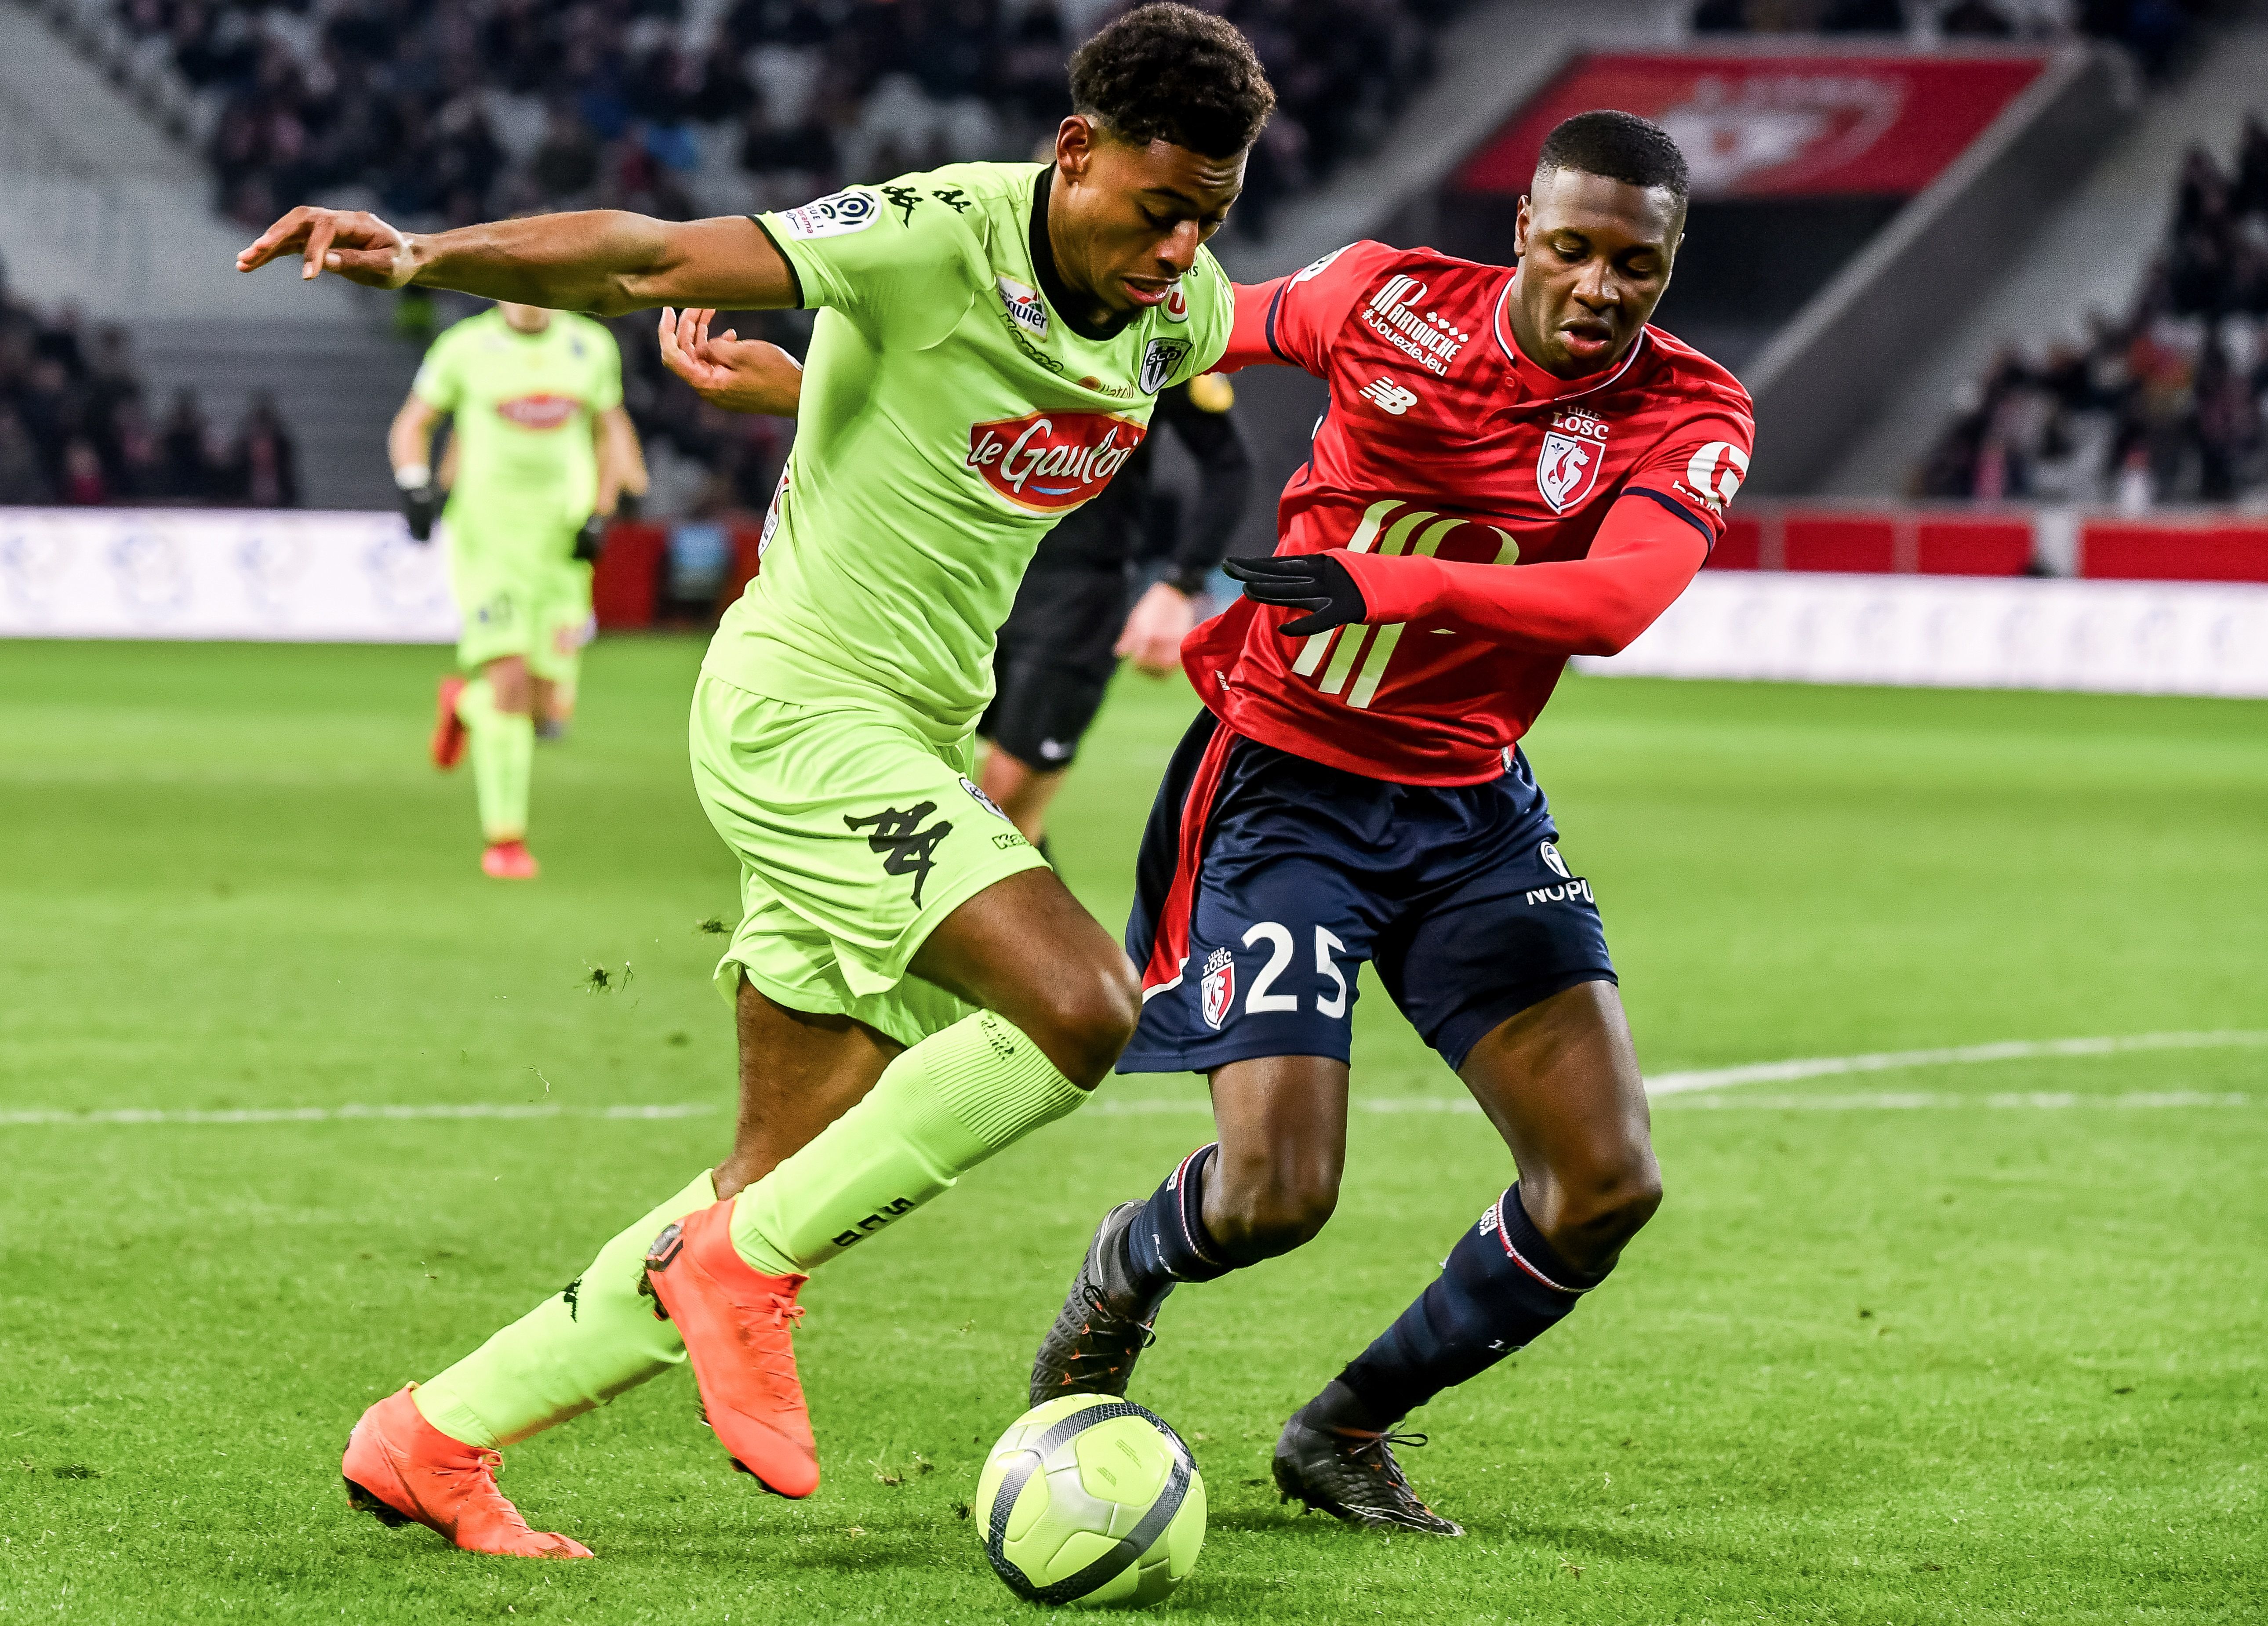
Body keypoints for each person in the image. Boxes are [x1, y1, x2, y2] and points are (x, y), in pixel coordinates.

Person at [236, 1, 1270, 1560]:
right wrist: (427, 255)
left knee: (772, 1174)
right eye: (1157, 206)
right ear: (1074, 153)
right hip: (800, 713)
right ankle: (740, 1270)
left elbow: (990, 417)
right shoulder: (930, 232)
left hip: (908, 736)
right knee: (1082, 1008)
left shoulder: (1170, 313)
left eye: (1212, 216)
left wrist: (808, 394)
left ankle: (432, 1438)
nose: (1180, 249)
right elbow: (644, 258)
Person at [1026, 110, 1756, 1535]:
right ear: (1523, 234)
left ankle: (1343, 1429)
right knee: (1278, 1195)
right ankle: (1127, 1263)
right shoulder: (1387, 299)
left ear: (1667, 267)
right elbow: (1183, 330)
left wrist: (1387, 582)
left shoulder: (1690, 408)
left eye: (1639, 264)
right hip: (1289, 784)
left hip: (1471, 806)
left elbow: (1613, 602)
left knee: (1605, 1183)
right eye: (1576, 248)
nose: (1603, 286)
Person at [711, 341, 1253, 848]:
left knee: (999, 808)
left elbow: (1229, 464)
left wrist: (1180, 584)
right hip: (960, 581)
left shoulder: (1151, 329)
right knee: (953, 804)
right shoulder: (972, 291)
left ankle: (1056, 953)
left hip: (1076, 596)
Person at [387, 300, 645, 878]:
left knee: (546, 712)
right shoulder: (464, 348)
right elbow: (413, 423)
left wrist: (603, 512)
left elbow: (610, 432)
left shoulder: (591, 347)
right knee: (508, 683)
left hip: (560, 541)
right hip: (490, 537)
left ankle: (465, 704)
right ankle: (505, 841)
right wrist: (415, 484)